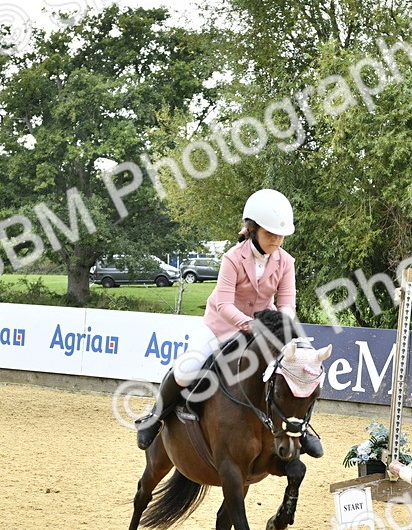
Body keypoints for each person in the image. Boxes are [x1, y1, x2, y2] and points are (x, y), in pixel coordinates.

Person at [135, 188, 323, 457]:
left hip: (266, 330)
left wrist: (281, 328)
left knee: (294, 369)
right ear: (253, 229)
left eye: (281, 235)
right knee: (187, 369)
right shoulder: (233, 257)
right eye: (271, 233)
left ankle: (300, 432)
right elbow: (223, 304)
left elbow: (286, 304)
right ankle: (154, 419)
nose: (277, 240)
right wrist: (252, 326)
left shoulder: (286, 261)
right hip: (221, 325)